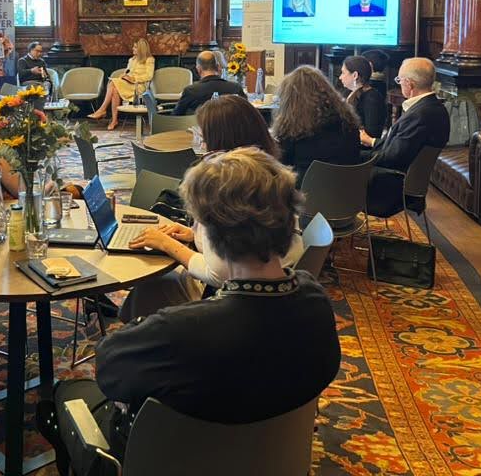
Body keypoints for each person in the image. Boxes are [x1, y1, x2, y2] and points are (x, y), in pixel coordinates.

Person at [40, 148, 341, 474]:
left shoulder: (177, 332)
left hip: (169, 462)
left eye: (196, 222)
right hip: (278, 459)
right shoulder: (315, 301)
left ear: (214, 234)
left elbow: (110, 375)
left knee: (67, 393)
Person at [121, 95, 302, 320]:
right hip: (272, 294)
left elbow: (217, 273)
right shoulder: (271, 177)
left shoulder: (228, 190)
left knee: (153, 286)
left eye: (204, 137)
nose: (202, 145)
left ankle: (140, 329)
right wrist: (193, 234)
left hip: (233, 305)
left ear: (220, 142)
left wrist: (169, 245)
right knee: (154, 287)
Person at [363, 57, 449, 216]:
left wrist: (354, 155)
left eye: (399, 80)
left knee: (336, 172)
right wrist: (371, 143)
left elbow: (392, 158)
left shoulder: (421, 115)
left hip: (391, 188)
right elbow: (398, 147)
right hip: (397, 180)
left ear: (409, 84)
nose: (399, 83)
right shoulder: (433, 108)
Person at [273, 66, 361, 187]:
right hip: (348, 192)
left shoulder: (294, 130)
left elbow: (280, 164)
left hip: (303, 194)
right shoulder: (349, 123)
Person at [89, 39, 155, 130]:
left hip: (139, 86)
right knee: (114, 90)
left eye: (135, 47)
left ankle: (103, 110)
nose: (133, 49)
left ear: (141, 49)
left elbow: (149, 76)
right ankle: (114, 120)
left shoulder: (149, 60)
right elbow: (128, 71)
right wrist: (124, 76)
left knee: (113, 83)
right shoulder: (131, 60)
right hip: (127, 84)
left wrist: (134, 79)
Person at [171, 50, 246, 115]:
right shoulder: (235, 88)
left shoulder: (191, 91)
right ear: (218, 67)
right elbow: (246, 112)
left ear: (199, 69)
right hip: (230, 127)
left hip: (201, 126)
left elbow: (176, 116)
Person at [340, 56, 386, 140]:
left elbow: (372, 134)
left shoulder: (372, 99)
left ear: (355, 75)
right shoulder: (347, 92)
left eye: (343, 73)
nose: (340, 77)